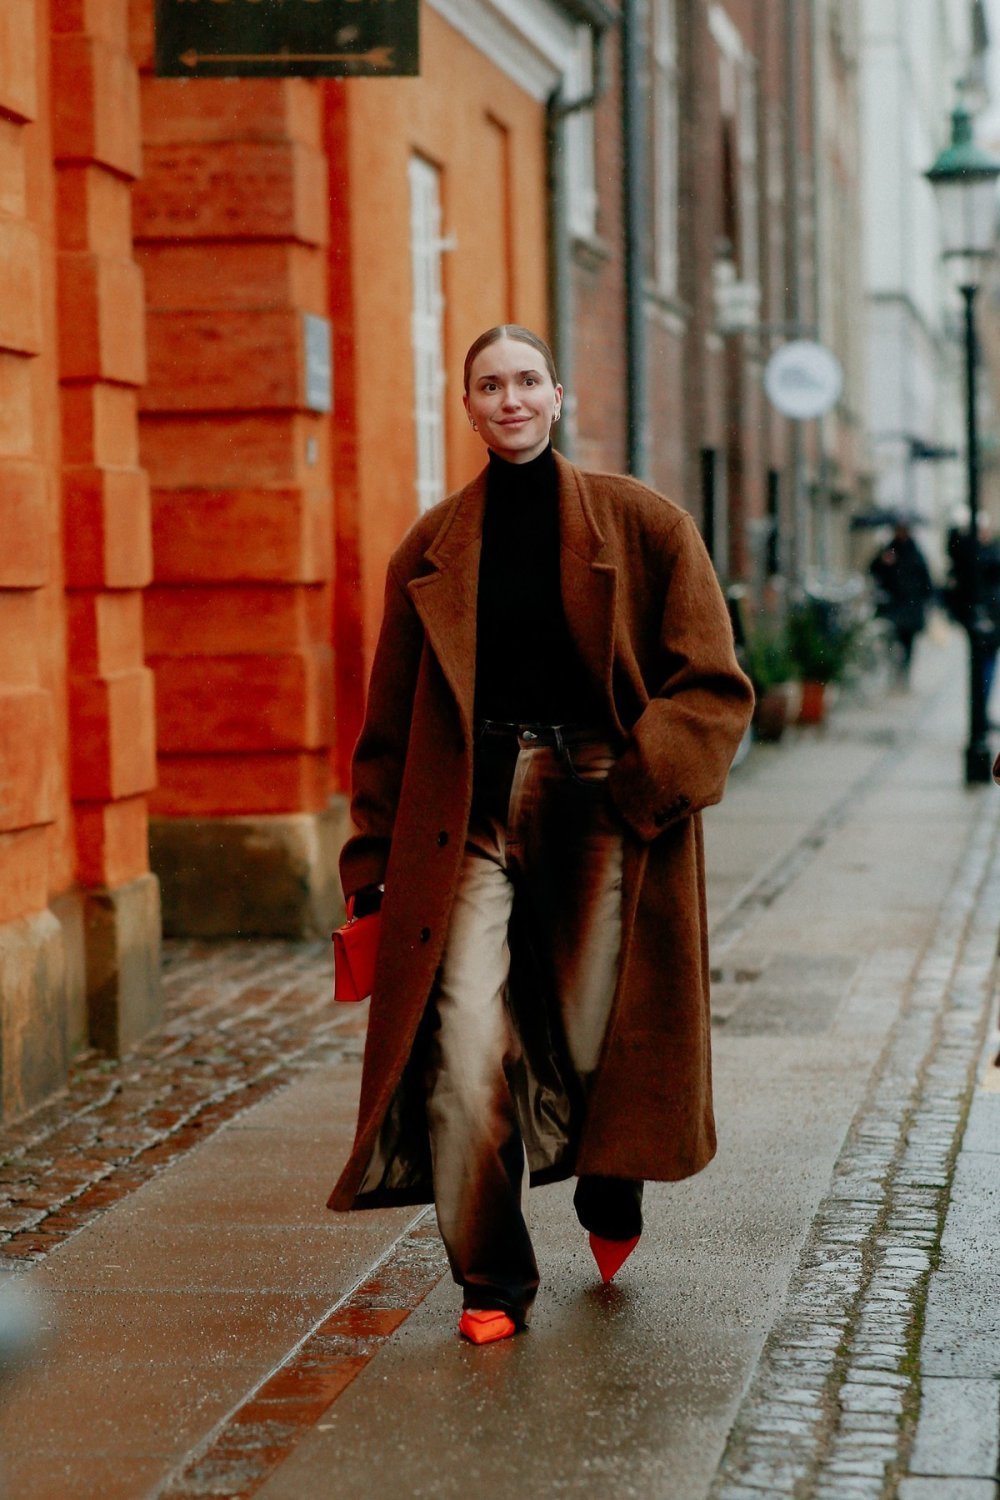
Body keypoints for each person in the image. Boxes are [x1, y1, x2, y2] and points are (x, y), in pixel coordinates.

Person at [327, 325, 754, 1344]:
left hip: (599, 795)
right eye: (489, 386)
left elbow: (713, 683)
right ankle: (489, 1280)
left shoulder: (644, 523)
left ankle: (610, 1181)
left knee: (595, 1033)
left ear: (557, 396)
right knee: (463, 1044)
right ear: (468, 409)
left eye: (526, 381)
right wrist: (372, 864)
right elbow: (388, 727)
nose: (509, 399)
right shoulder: (428, 548)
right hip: (466, 813)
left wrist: (645, 783)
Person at [868, 521, 934, 686]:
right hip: (893, 605)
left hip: (911, 606)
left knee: (907, 642)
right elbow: (873, 569)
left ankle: (904, 673)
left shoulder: (915, 553)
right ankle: (894, 672)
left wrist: (923, 599)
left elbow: (926, 580)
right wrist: (882, 561)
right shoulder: (888, 550)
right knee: (891, 639)